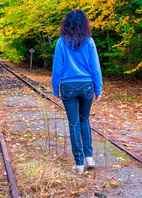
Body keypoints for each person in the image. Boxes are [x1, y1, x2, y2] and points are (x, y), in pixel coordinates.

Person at [52, 9, 102, 174]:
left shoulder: (61, 42)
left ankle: (79, 163)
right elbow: (95, 67)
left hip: (68, 86)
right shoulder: (89, 41)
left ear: (67, 24)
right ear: (84, 23)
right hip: (87, 85)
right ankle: (89, 157)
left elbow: (57, 67)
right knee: (84, 120)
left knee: (73, 123)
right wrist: (98, 88)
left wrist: (55, 88)